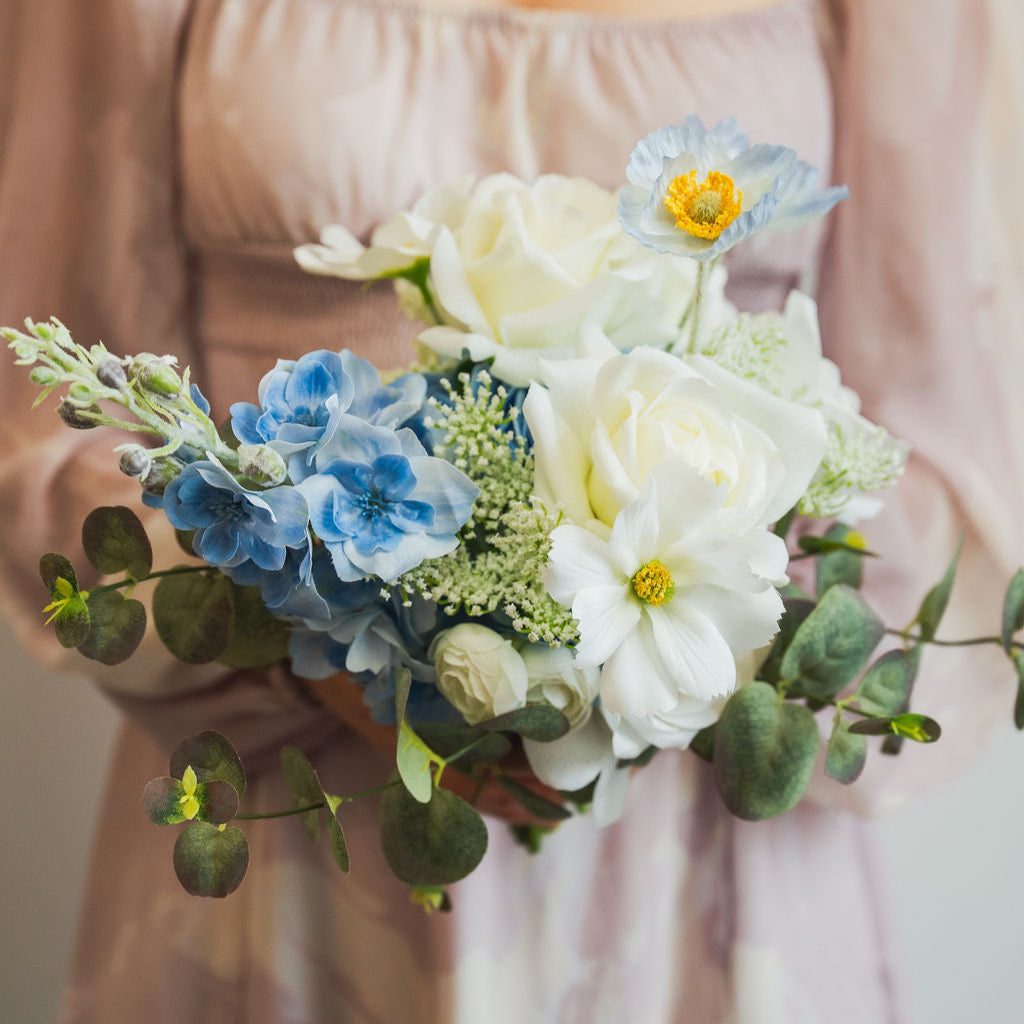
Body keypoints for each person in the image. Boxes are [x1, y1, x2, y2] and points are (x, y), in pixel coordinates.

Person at [0, 0, 1020, 1021]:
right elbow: (47, 411)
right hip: (305, 848)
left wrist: (687, 641)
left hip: (700, 872)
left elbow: (934, 438)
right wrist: (311, 627)